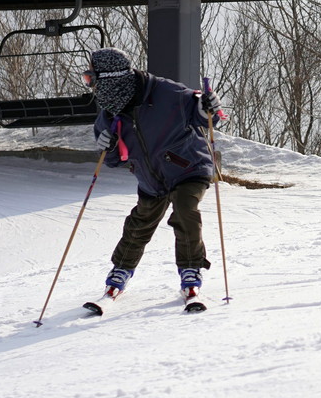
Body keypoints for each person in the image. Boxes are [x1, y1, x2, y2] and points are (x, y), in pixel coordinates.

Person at [87, 47, 221, 305]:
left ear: (110, 78)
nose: (91, 86)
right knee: (138, 224)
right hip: (151, 178)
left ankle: (190, 270)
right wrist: (109, 146)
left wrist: (208, 109)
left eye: (91, 78)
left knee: (185, 210)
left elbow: (203, 117)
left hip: (187, 167)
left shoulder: (166, 92)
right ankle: (121, 271)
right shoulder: (109, 114)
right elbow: (114, 161)